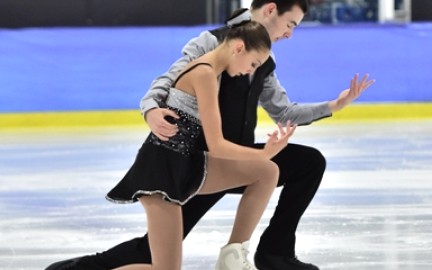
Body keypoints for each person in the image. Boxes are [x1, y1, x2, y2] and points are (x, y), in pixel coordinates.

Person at [45, 1, 375, 269]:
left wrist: (335, 104)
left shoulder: (262, 57)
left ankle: (270, 253)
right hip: (193, 161)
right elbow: (168, 81)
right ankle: (83, 268)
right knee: (156, 252)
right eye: (291, 25)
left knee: (307, 163)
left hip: (230, 159)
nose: (290, 35)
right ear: (271, 10)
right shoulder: (212, 43)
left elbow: (283, 111)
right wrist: (150, 110)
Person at [109, 20, 295, 270]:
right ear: (239, 48)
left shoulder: (212, 73)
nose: (250, 72)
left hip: (186, 162)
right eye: (253, 64)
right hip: (161, 171)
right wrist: (264, 152)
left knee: (267, 171)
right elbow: (217, 145)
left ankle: (233, 256)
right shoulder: (205, 73)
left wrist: (264, 158)